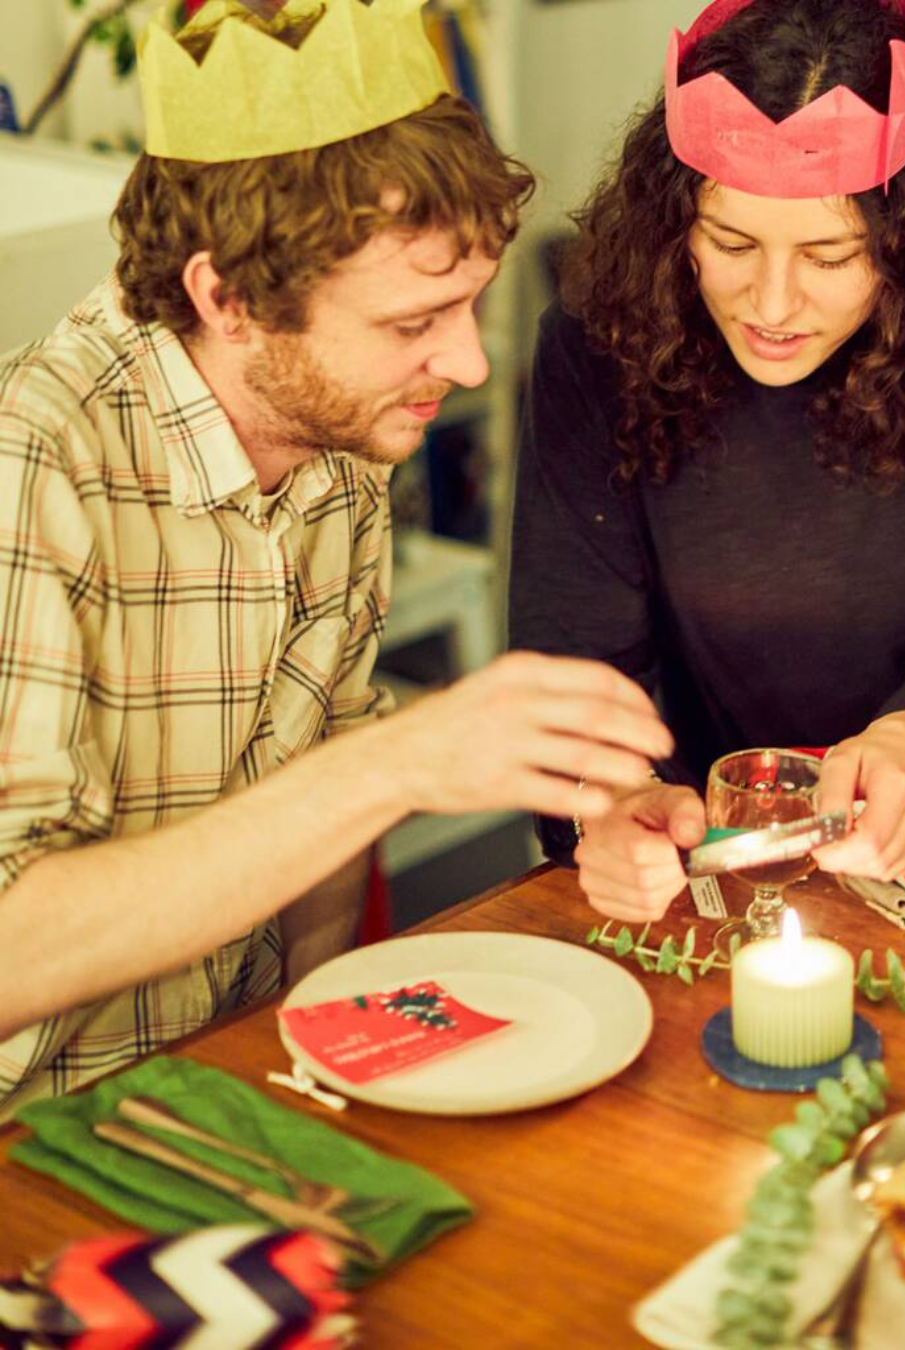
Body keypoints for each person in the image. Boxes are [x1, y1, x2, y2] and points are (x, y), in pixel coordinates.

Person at [0, 0, 672, 1117]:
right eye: (414, 322)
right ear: (228, 301)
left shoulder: (336, 436)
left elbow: (316, 837)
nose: (461, 359)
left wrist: (322, 1090)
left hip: (237, 1079)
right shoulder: (35, 467)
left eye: (468, 305)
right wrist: (395, 764)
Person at [510, 0, 905, 924]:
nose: (772, 303)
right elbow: (575, 670)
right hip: (685, 871)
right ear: (673, 224)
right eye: (731, 243)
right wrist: (607, 803)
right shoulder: (595, 342)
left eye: (830, 255)